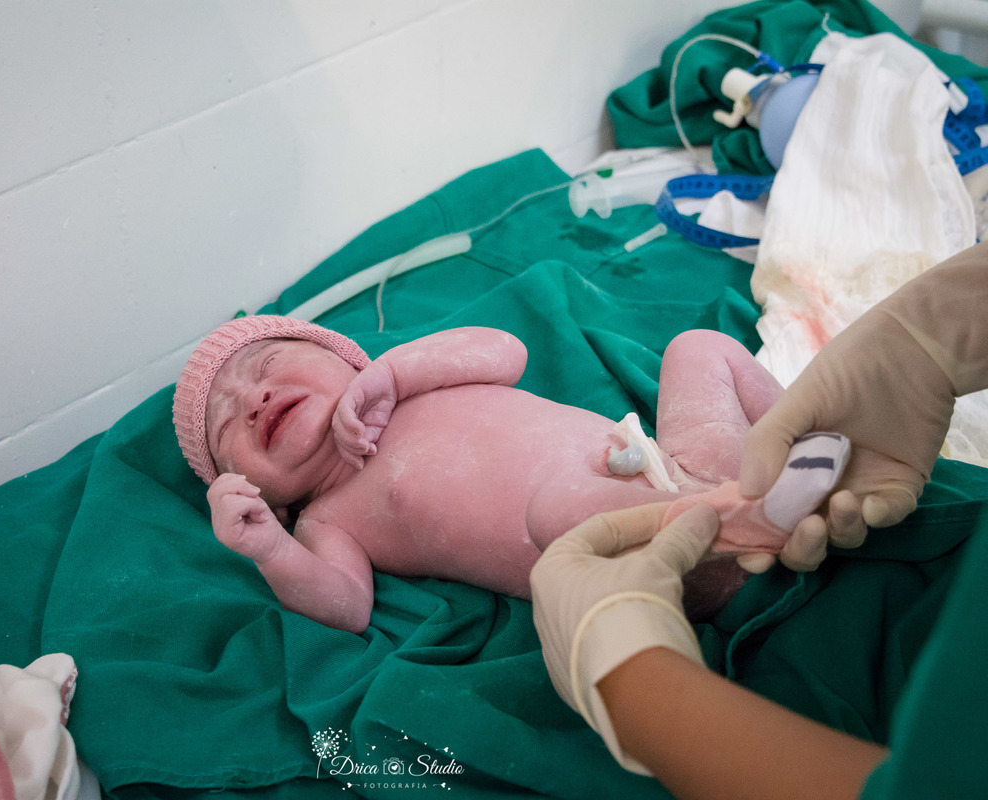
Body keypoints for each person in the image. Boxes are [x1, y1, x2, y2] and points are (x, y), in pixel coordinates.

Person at [530, 240, 988, 799]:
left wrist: (636, 684)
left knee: (565, 509)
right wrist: (933, 334)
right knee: (698, 356)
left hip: (763, 622)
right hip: (839, 552)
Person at [172, 315, 848, 633]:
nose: (253, 399)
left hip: (684, 471)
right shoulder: (326, 519)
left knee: (697, 349)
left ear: (345, 357)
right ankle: (749, 516)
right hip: (647, 560)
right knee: (555, 511)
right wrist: (270, 548)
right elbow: (347, 607)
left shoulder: (411, 382)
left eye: (266, 365)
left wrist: (397, 372)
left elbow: (506, 351)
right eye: (226, 428)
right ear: (264, 495)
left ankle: (812, 436)